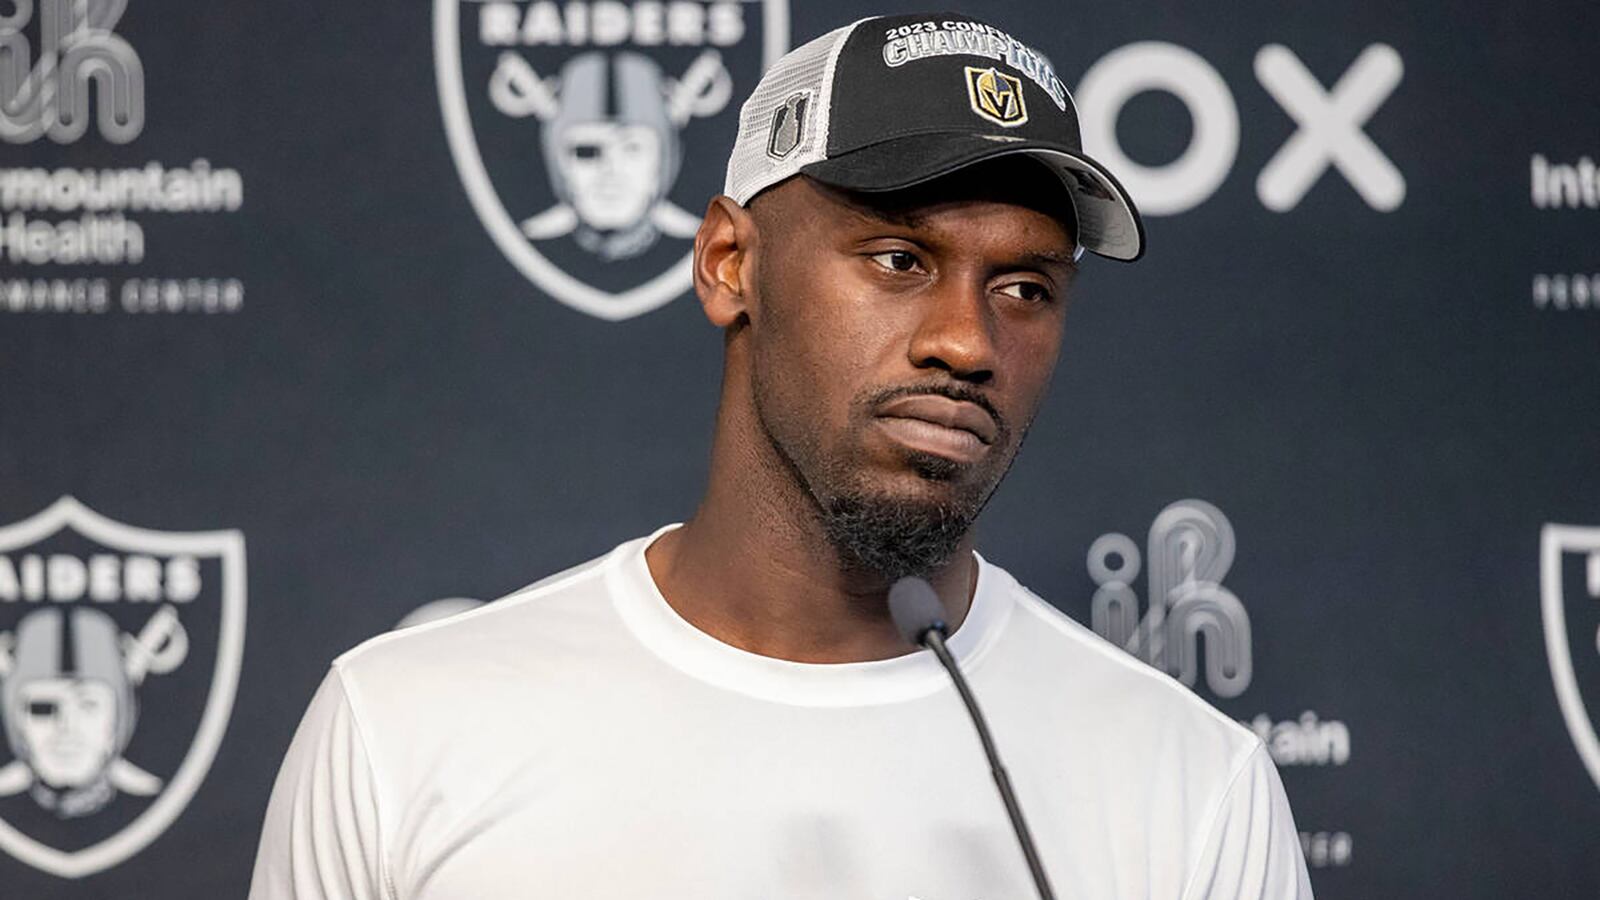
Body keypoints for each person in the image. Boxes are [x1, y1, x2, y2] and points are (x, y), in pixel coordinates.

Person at [250, 11, 1314, 899]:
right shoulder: (405, 729)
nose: (968, 341)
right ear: (727, 263)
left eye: (1025, 288)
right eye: (899, 258)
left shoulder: (1190, 784)